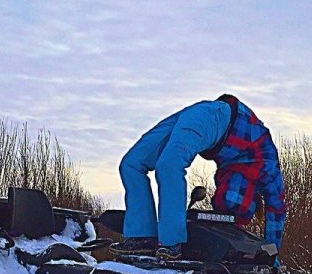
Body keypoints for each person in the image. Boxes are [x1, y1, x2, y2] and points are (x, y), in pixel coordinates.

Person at [113, 94, 286, 262]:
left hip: (200, 115)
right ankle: (169, 242)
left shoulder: (233, 172)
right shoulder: (268, 165)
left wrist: (268, 256)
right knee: (169, 165)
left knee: (131, 164)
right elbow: (276, 211)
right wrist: (273, 257)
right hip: (215, 116)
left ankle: (142, 233)